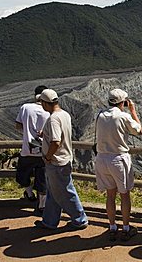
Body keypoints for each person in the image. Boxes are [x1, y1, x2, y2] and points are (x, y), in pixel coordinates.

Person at [34, 89, 88, 230]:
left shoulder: (53, 119)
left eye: (42, 102)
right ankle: (49, 221)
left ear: (46, 103)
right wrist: (45, 134)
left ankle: (80, 220)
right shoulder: (64, 114)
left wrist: (48, 156)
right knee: (54, 192)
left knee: (66, 191)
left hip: (56, 162)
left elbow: (56, 141)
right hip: (64, 159)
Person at [95, 89, 142, 241]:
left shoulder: (100, 115)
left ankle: (112, 227)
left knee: (110, 194)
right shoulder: (123, 116)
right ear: (123, 102)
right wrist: (133, 111)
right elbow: (139, 131)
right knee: (124, 194)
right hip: (118, 160)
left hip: (102, 159)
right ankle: (126, 228)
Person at [15, 85, 50, 213]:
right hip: (45, 151)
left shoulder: (25, 108)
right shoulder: (50, 111)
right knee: (42, 179)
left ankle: (29, 194)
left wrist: (28, 130)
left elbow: (18, 126)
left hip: (27, 150)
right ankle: (42, 205)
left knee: (22, 174)